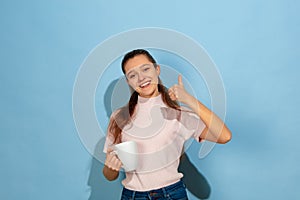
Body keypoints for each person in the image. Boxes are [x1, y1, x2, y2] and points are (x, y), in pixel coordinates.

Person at [102, 49, 231, 200]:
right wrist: (110, 168)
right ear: (128, 81)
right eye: (132, 75)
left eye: (145, 69)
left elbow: (224, 136)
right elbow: (109, 176)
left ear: (157, 69)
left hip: (172, 194)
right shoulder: (119, 117)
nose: (141, 77)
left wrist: (189, 100)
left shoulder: (179, 114)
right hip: (132, 195)